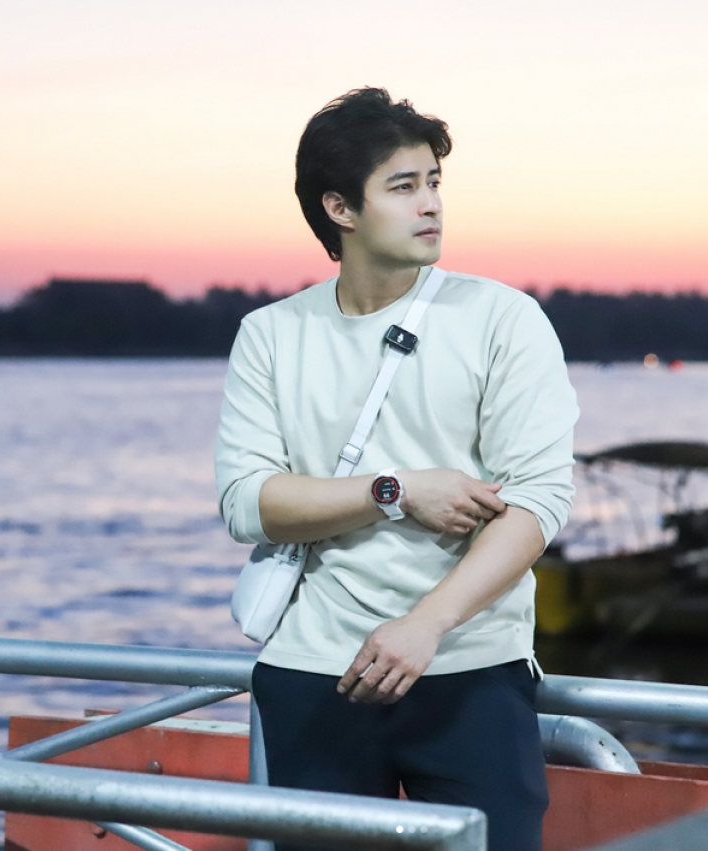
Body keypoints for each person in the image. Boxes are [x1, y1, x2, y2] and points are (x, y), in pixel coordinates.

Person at [215, 87, 578, 851]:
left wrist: (426, 624)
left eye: (435, 183)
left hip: (471, 669)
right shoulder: (271, 334)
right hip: (316, 671)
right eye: (404, 186)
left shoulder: (503, 319)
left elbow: (537, 503)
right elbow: (249, 502)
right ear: (340, 208)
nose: (431, 204)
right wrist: (397, 489)